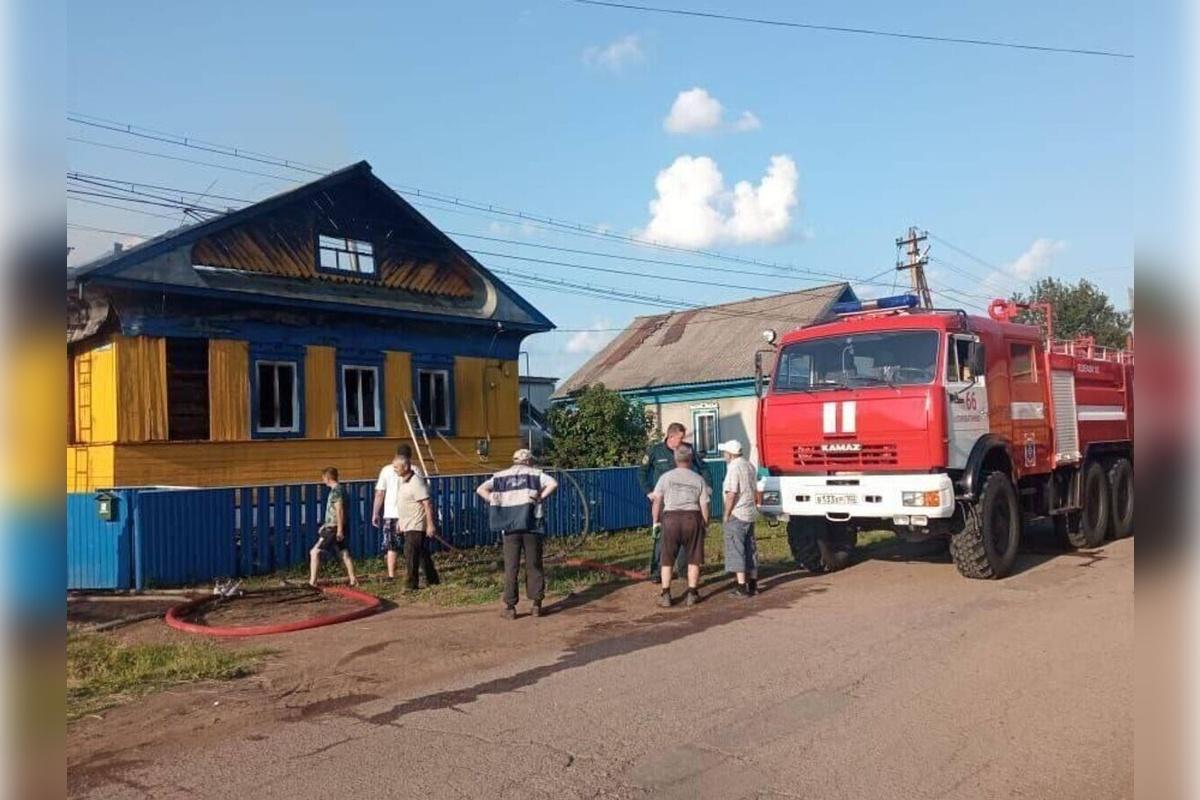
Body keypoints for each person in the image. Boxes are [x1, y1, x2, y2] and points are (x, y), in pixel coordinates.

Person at [477, 449, 559, 620]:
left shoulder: (500, 476)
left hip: (510, 526)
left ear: (514, 461)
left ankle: (510, 607)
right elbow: (553, 484)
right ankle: (536, 604)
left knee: (511, 566)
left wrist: (493, 500)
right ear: (529, 461)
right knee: (534, 564)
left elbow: (480, 489)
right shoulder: (536, 474)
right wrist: (541, 497)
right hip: (532, 525)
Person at [639, 422, 708, 581]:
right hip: (663, 501)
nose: (682, 441)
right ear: (670, 436)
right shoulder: (655, 451)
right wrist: (649, 492)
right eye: (680, 438)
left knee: (685, 536)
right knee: (660, 537)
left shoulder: (687, 449)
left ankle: (684, 571)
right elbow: (642, 472)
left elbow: (703, 468)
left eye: (683, 438)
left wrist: (707, 487)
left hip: (685, 500)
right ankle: (657, 572)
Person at [372, 444, 439, 590]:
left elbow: (427, 503)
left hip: (415, 523)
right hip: (406, 522)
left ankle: (411, 584)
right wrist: (400, 521)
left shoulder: (416, 481)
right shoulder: (404, 481)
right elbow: (403, 503)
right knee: (421, 553)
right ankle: (433, 580)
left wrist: (430, 524)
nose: (394, 470)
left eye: (396, 467)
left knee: (410, 553)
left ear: (406, 466)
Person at [651, 445, 711, 608]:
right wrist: (705, 524)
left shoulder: (666, 477)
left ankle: (666, 594)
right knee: (694, 558)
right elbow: (704, 504)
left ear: (675, 459)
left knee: (667, 559)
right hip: (692, 518)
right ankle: (692, 593)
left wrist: (656, 522)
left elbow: (657, 501)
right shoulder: (698, 479)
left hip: (670, 519)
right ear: (690, 460)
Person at [719, 440, 759, 598]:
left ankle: (741, 586)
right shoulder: (749, 466)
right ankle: (753, 584)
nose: (724, 456)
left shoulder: (733, 468)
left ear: (730, 454)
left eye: (725, 453)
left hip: (737, 513)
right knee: (751, 548)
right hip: (750, 512)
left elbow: (731, 494)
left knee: (736, 548)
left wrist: (726, 514)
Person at [310, 467, 358, 587]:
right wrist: (325, 524)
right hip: (333, 526)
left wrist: (340, 529)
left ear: (328, 478)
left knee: (314, 552)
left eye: (323, 478)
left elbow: (339, 510)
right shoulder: (340, 490)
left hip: (334, 528)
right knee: (344, 552)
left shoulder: (336, 491)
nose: (322, 480)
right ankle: (353, 579)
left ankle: (312, 582)